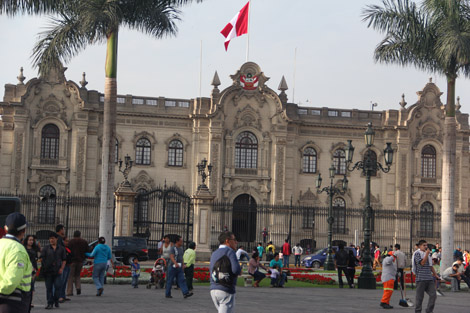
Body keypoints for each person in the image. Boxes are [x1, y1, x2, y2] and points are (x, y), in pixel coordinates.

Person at [0, 213, 33, 313]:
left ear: (5, 229)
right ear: (23, 231)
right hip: (12, 302)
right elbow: (11, 283)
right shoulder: (18, 250)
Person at [210, 232, 241, 313]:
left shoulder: (214, 253)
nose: (236, 242)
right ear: (227, 241)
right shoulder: (230, 252)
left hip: (214, 289)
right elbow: (236, 270)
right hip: (226, 289)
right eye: (234, 240)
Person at [40, 232, 66, 309]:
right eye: (50, 239)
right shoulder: (46, 248)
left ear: (56, 239)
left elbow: (64, 260)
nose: (51, 240)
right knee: (49, 288)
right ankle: (50, 302)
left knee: (58, 286)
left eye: (53, 238)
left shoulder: (61, 248)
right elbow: (41, 258)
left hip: (58, 271)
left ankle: (56, 299)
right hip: (48, 271)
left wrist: (62, 268)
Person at [413, 240, 438, 313]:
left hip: (429, 278)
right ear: (420, 246)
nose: (426, 247)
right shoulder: (417, 254)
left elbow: (430, 266)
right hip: (420, 279)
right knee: (419, 298)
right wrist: (427, 254)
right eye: (424, 245)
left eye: (426, 245)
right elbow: (422, 263)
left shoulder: (428, 255)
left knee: (433, 295)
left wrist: (435, 274)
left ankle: (429, 311)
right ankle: (418, 311)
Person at [67, 230, 88, 296]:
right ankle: (78, 287)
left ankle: (70, 291)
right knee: (77, 275)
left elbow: (68, 250)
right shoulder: (84, 242)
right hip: (80, 261)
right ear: (80, 235)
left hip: (72, 261)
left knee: (70, 276)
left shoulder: (70, 242)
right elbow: (87, 250)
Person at [23, 234, 39, 309]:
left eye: (32, 240)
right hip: (25, 269)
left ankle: (30, 301)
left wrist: (35, 269)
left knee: (32, 286)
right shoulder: (23, 248)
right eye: (30, 240)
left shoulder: (34, 249)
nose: (31, 241)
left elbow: (36, 259)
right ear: (27, 240)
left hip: (33, 269)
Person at [58, 236, 72, 303]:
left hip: (68, 265)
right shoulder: (62, 248)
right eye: (66, 241)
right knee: (62, 281)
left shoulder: (68, 248)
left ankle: (63, 295)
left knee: (65, 282)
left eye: (68, 241)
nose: (67, 242)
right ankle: (60, 296)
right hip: (64, 266)